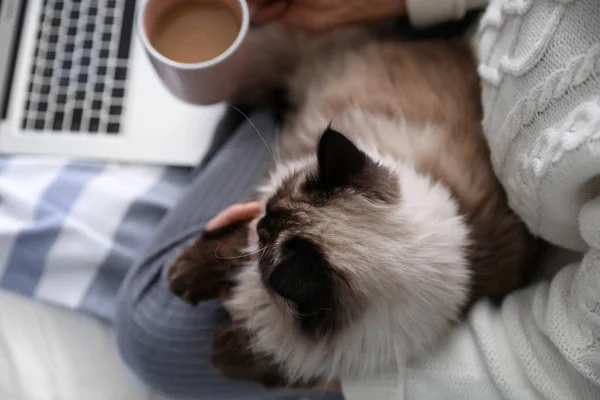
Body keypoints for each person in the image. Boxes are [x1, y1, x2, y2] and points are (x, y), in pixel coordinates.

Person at [115, 0, 600, 399]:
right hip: (438, 53)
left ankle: (249, 108)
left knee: (158, 334)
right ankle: (249, 102)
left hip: (423, 135)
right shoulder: (346, 200)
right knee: (162, 327)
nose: (261, 220)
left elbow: (565, 364)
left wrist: (336, 375)